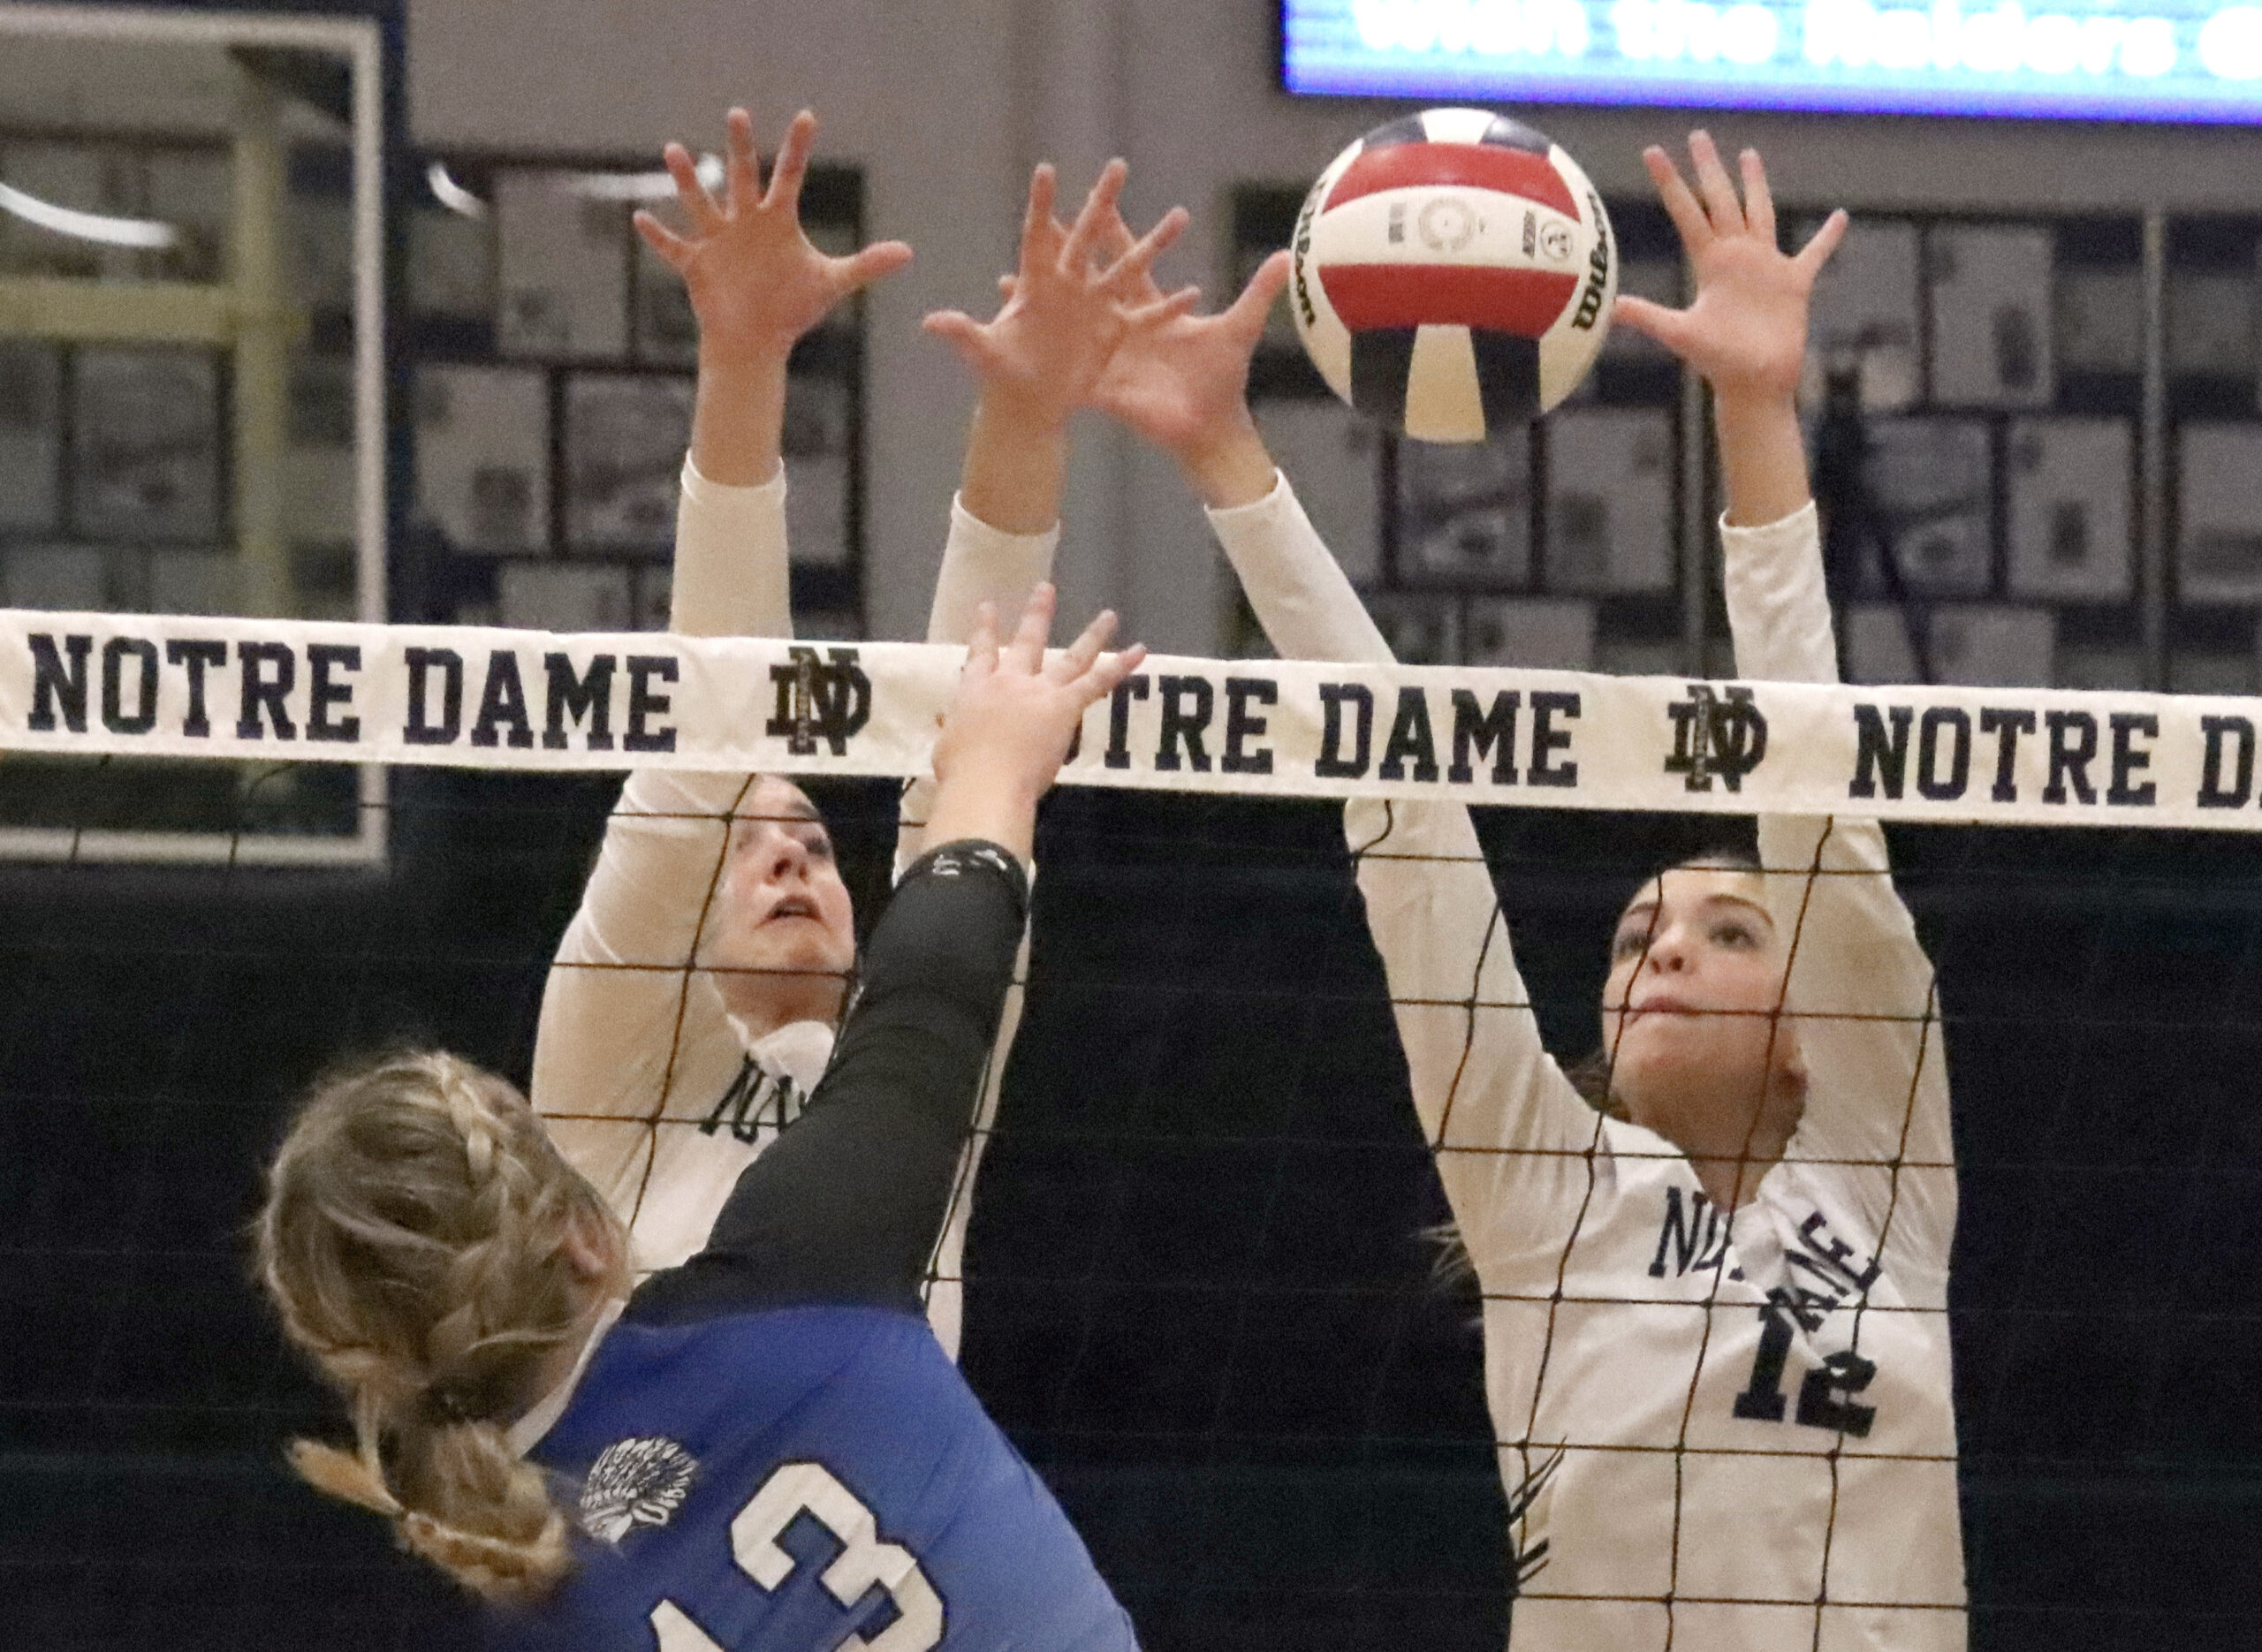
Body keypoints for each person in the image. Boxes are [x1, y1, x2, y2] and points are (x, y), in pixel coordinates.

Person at [1051, 134, 1962, 1650]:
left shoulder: (1882, 1171)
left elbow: (1812, 780)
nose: (1661, 948)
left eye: (1726, 932)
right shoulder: (1548, 1193)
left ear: (1810, 1026)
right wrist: (1231, 464)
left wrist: (1756, 413)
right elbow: (1405, 815)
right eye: (1636, 934)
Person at [255, 585, 1149, 1649]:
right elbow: (934, 987)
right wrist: (999, 765)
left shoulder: (510, 1596)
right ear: (586, 1234)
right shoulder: (797, 1272)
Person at [530, 108, 1187, 1359]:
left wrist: (1029, 414)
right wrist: (743, 361)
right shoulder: (613, 1071)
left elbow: (969, 753)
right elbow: (713, 716)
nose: (790, 859)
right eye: (754, 846)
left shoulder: (917, 1077)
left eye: (819, 846)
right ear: (675, 912)